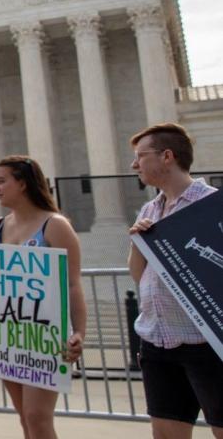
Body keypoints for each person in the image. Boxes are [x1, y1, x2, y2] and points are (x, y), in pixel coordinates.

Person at [0, 155, 85, 439]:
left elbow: (73, 285)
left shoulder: (55, 225)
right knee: (26, 419)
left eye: (1, 181)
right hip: (10, 335)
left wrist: (80, 332)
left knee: (38, 418)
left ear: (23, 184)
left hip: (45, 335)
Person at [126, 123, 222, 438]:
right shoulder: (150, 208)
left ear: (167, 156)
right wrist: (138, 241)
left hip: (206, 341)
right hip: (158, 341)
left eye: (141, 156)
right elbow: (140, 275)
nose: (134, 164)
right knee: (166, 433)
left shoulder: (211, 205)